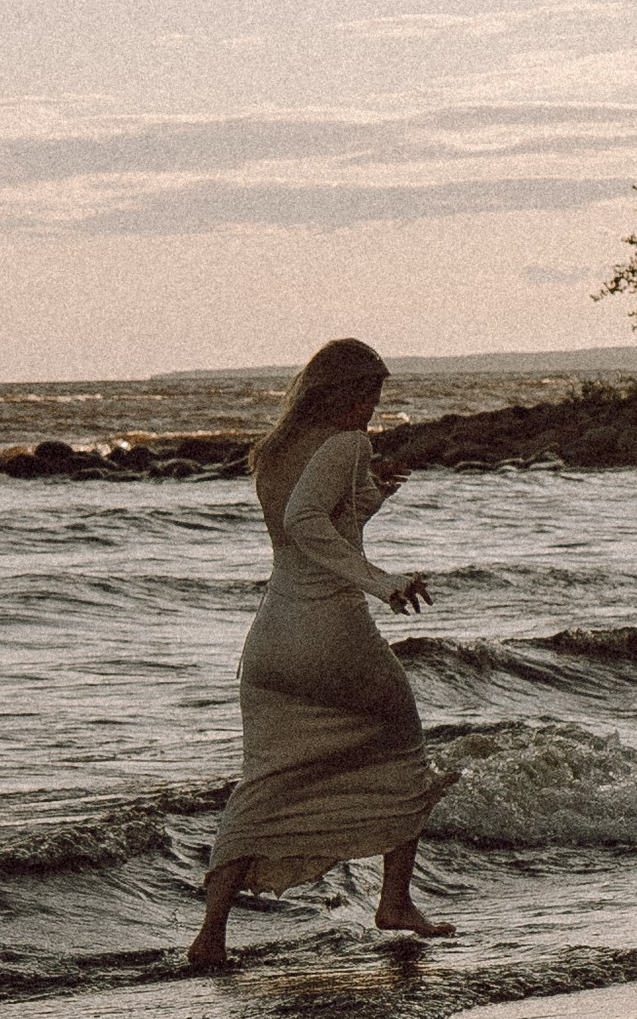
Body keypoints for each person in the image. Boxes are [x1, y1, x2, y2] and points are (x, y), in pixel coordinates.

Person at [185, 336, 453, 969]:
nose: (373, 408)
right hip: (331, 632)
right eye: (368, 394)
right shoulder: (345, 443)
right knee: (406, 750)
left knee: (265, 782)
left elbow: (315, 523)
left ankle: (210, 936)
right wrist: (384, 582)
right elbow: (310, 525)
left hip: (271, 641)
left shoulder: (274, 451)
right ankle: (395, 902)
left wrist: (374, 494)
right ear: (341, 392)